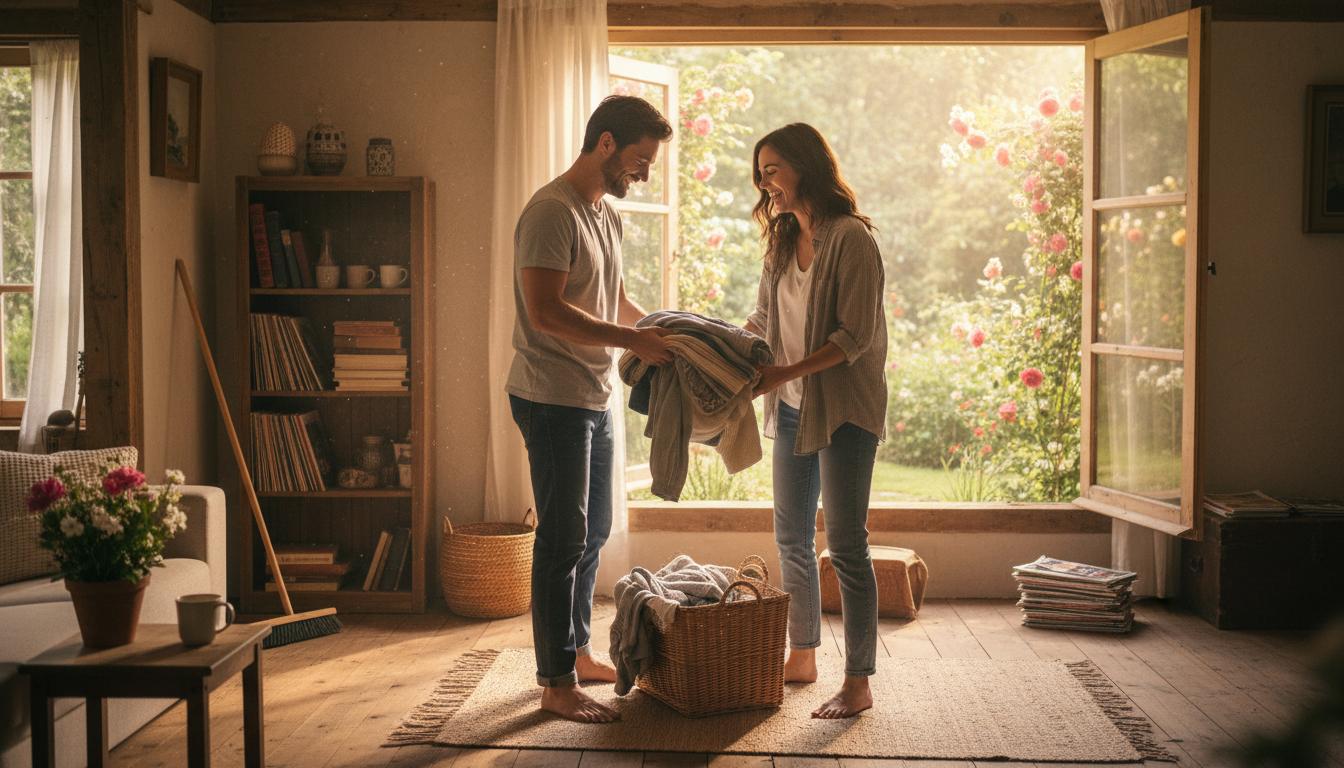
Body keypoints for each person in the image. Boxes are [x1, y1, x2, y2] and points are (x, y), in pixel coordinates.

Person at [506, 95, 674, 723]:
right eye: (638, 159)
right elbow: (546, 312)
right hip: (550, 397)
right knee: (561, 539)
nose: (644, 174)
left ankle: (574, 653)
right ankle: (554, 683)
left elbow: (614, 297)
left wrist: (663, 331)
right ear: (605, 144)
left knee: (594, 530)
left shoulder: (605, 213)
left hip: (592, 393)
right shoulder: (552, 211)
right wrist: (634, 342)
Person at [744, 123, 888, 719]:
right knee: (790, 538)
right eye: (761, 173)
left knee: (848, 546)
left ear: (806, 166)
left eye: (773, 169)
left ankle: (858, 681)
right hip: (795, 407)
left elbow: (852, 337)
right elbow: (760, 322)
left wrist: (782, 373)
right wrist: (708, 346)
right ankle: (802, 652)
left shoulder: (852, 238)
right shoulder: (782, 243)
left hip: (845, 412)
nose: (765, 182)